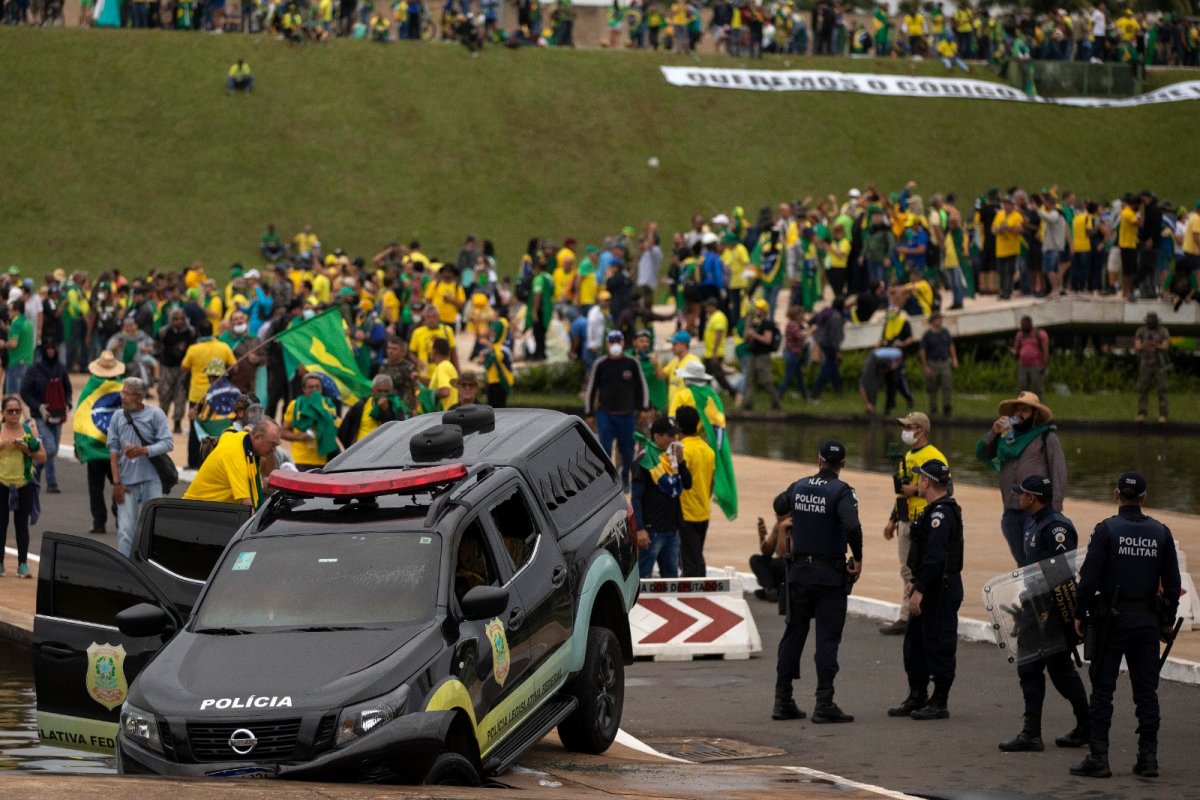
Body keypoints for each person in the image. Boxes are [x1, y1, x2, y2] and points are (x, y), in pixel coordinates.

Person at [1070, 472, 1181, 780]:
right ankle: (1148, 759)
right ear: (1144, 498)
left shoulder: (1106, 531)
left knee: (1103, 689)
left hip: (1111, 622)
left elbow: (1088, 578)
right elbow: (1172, 584)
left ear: (1117, 494)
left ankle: (1099, 756)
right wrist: (1167, 621)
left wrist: (1079, 613)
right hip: (1146, 621)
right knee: (1146, 692)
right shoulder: (1161, 533)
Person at [997, 475, 1090, 754]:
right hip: (1033, 605)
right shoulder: (1032, 523)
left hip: (1048, 609)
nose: (1019, 497)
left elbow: (1061, 572)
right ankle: (1037, 731)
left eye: (1023, 493)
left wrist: (1051, 611)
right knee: (1036, 668)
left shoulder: (1057, 528)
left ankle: (1075, 727)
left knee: (1052, 670)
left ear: (1034, 497)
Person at [771, 439, 862, 724]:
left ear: (819, 459)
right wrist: (857, 557)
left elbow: (779, 503)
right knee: (827, 639)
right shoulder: (842, 491)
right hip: (828, 577)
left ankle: (782, 699)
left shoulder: (799, 485)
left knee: (793, 635)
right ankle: (824, 702)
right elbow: (852, 525)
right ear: (842, 465)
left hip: (798, 573)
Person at [887, 459, 963, 721]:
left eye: (920, 478)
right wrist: (914, 581)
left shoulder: (941, 514)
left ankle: (939, 700)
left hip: (939, 588)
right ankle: (917, 695)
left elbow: (936, 557)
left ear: (927, 481)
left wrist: (919, 589)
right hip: (927, 584)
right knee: (914, 644)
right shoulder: (932, 511)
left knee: (940, 643)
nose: (917, 482)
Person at [975, 391, 1067, 566]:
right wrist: (993, 433)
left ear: (1035, 415)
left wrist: (1055, 510)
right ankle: (1029, 592)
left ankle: (1042, 593)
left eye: (1025, 410)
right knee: (1023, 562)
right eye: (1016, 410)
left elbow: (1059, 473)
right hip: (1011, 510)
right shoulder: (1005, 438)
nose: (1019, 414)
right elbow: (983, 453)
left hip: (1037, 512)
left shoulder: (1046, 437)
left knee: (1038, 561)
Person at [880, 412, 946, 636]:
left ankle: (920, 614)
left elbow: (946, 488)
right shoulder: (906, 456)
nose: (906, 430)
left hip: (925, 518)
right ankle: (907, 615)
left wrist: (916, 490)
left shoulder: (934, 456)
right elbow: (901, 492)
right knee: (906, 570)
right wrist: (893, 520)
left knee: (924, 568)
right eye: (905, 426)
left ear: (921, 429)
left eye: (910, 426)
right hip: (906, 519)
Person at [107, 378, 173, 558]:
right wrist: (116, 483)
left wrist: (144, 450)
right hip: (126, 483)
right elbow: (113, 453)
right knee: (125, 531)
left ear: (139, 397)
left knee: (152, 527)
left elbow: (168, 443)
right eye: (123, 392)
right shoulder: (117, 417)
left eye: (127, 393)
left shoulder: (155, 415)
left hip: (152, 480)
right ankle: (124, 572)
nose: (123, 397)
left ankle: (150, 568)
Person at [584, 330, 649, 491]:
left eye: (618, 342)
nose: (615, 345)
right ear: (607, 344)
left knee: (628, 448)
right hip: (605, 413)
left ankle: (625, 475)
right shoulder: (600, 364)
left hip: (627, 415)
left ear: (623, 343)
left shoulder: (632, 363)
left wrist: (643, 409)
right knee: (604, 448)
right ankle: (607, 480)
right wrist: (589, 413)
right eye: (611, 342)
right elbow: (591, 389)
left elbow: (642, 387)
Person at [631, 416, 691, 579]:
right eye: (670, 436)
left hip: (671, 529)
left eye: (676, 436)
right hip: (651, 531)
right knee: (643, 577)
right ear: (657, 436)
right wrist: (640, 529)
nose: (675, 440)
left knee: (671, 577)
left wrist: (681, 462)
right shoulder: (644, 460)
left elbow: (687, 484)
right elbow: (636, 498)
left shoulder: (671, 459)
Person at [184, 419, 281, 508]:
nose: (274, 449)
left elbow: (227, 432)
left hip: (212, 510)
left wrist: (261, 485)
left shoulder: (243, 440)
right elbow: (247, 505)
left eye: (276, 445)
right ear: (257, 438)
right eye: (272, 444)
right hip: (194, 510)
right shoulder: (237, 456)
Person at [0, 395, 45, 578]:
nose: (13, 414)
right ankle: (0, 562)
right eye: (10, 411)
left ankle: (23, 563)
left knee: (22, 525)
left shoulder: (28, 430)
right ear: (3, 413)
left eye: (17, 411)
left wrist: (27, 449)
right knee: (1, 525)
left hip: (24, 483)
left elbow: (43, 456)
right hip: (2, 483)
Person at [20, 341, 71, 495]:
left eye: (52, 348)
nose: (50, 351)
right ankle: (51, 480)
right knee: (49, 448)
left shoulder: (60, 368)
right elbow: (24, 392)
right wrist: (38, 407)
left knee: (51, 451)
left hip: (58, 414)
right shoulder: (34, 370)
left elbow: (67, 388)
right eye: (47, 348)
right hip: (41, 416)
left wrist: (68, 404)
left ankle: (37, 474)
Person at [676, 405, 715, 578]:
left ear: (678, 426)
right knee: (696, 555)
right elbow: (711, 482)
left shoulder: (681, 450)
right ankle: (703, 592)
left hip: (686, 512)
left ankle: (695, 597)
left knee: (689, 561)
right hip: (703, 511)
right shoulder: (708, 450)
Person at [282, 372, 341, 471]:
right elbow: (283, 432)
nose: (314, 390)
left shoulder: (328, 405)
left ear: (321, 389)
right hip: (300, 459)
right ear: (304, 389)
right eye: (310, 387)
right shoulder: (295, 405)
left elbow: (332, 429)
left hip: (323, 460)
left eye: (317, 387)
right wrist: (300, 437)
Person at [337, 373, 409, 446]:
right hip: (359, 449)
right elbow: (345, 430)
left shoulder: (396, 406)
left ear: (391, 391)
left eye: (386, 391)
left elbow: (398, 430)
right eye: (379, 391)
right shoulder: (361, 405)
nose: (382, 394)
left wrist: (386, 411)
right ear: (372, 390)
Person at [155, 308, 195, 434]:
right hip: (167, 368)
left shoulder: (190, 332)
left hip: (183, 369)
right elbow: (156, 348)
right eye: (175, 319)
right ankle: (161, 424)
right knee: (164, 395)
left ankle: (177, 423)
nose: (178, 322)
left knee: (181, 396)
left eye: (181, 319)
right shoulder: (163, 332)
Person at [741, 299, 781, 411]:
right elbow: (746, 337)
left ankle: (775, 402)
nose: (756, 310)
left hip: (763, 355)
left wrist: (755, 335)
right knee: (750, 379)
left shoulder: (767, 324)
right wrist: (748, 326)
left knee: (766, 380)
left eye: (758, 308)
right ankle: (748, 404)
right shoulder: (754, 322)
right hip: (753, 354)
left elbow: (767, 340)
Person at [918, 310, 958, 416]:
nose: (940, 321)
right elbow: (923, 351)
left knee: (947, 386)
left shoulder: (945, 332)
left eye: (941, 319)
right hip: (933, 363)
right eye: (938, 319)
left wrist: (954, 359)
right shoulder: (927, 335)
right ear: (932, 321)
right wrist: (926, 366)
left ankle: (947, 408)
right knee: (932, 387)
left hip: (944, 362)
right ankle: (933, 409)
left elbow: (951, 345)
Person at [1133, 312, 1169, 423]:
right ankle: (1142, 413)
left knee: (1162, 389)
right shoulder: (1141, 331)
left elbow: (1165, 346)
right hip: (1145, 362)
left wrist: (1155, 344)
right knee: (1143, 388)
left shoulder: (1163, 331)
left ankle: (1163, 414)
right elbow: (1137, 347)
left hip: (1159, 363)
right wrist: (1145, 344)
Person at [750, 513, 788, 603]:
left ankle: (779, 593)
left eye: (781, 513)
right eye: (776, 514)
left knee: (778, 563)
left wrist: (782, 529)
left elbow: (782, 554)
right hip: (779, 566)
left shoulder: (791, 524)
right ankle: (772, 590)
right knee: (755, 560)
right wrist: (762, 537)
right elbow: (767, 552)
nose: (778, 516)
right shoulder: (779, 524)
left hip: (791, 566)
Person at [1012, 315, 1049, 396]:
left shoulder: (1039, 334)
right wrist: (1014, 351)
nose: (1023, 326)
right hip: (1023, 365)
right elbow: (1017, 349)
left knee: (1036, 387)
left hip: (1036, 365)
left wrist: (1044, 364)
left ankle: (1038, 405)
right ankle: (1021, 404)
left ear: (1030, 324)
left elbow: (1045, 350)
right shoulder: (1020, 335)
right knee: (1022, 387)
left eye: (1025, 324)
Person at [4, 300, 36, 396]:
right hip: (27, 361)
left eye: (10, 310)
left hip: (16, 363)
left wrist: (3, 344)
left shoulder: (16, 324)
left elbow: (13, 344)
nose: (8, 312)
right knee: (24, 396)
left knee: (13, 396)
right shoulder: (28, 322)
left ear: (17, 311)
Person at [427, 337, 459, 411]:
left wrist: (428, 395)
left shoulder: (442, 367)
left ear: (434, 351)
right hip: (451, 412)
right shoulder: (448, 365)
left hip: (444, 414)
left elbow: (445, 391)